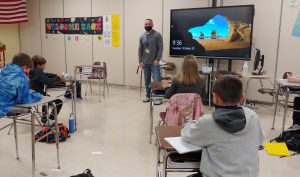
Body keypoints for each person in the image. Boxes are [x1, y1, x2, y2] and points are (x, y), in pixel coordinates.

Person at [181, 76, 264, 177]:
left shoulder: (207, 122)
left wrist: (193, 122)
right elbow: (260, 140)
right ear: (242, 97)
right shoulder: (253, 116)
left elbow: (186, 135)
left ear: (215, 97)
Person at [0, 53, 42, 117]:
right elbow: (25, 100)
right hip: (5, 108)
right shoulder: (21, 76)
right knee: (29, 109)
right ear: (25, 67)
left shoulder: (4, 71)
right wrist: (38, 95)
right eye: (28, 69)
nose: (28, 72)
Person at [29, 55, 63, 124]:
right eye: (44, 65)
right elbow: (47, 81)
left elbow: (46, 74)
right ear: (38, 65)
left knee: (46, 98)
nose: (45, 66)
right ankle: (50, 120)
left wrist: (56, 75)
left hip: (34, 93)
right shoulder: (38, 72)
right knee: (58, 102)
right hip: (37, 95)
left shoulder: (33, 70)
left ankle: (44, 117)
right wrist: (58, 78)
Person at [138, 18, 163, 103]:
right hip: (145, 63)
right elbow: (140, 50)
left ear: (152, 24)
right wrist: (140, 62)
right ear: (144, 25)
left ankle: (158, 99)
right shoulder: (142, 36)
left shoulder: (157, 35)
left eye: (149, 24)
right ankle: (148, 96)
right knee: (147, 81)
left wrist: (157, 59)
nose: (147, 25)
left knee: (156, 81)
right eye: (146, 24)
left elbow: (161, 48)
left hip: (154, 63)